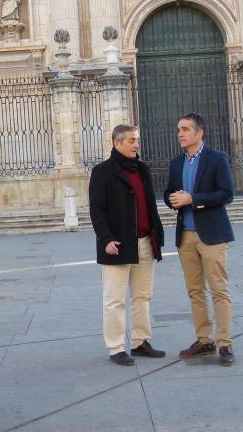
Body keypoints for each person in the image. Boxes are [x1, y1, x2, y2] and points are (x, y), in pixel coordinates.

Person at [89, 124, 166, 366]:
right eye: (132, 140)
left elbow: (149, 206)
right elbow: (97, 209)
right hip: (118, 244)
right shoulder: (102, 171)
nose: (136, 144)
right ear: (116, 143)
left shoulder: (142, 169)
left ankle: (140, 341)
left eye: (137, 140)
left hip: (145, 241)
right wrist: (106, 239)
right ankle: (116, 347)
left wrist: (156, 235)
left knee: (143, 296)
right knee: (115, 299)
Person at [163, 112, 236, 366]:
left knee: (219, 289)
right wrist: (173, 199)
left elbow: (226, 194)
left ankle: (225, 344)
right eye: (178, 130)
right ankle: (204, 340)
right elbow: (169, 193)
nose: (180, 134)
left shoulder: (216, 159)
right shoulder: (175, 163)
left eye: (184, 129)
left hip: (212, 235)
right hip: (185, 236)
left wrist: (193, 199)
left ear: (199, 133)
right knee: (195, 291)